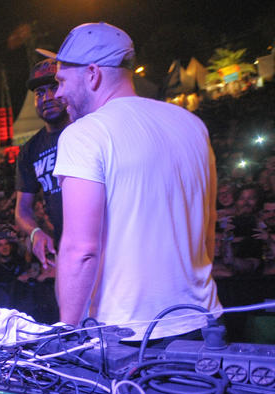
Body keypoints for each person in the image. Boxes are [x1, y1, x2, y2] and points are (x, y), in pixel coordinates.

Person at [39, 22, 221, 340]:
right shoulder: (192, 124)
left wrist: (66, 334)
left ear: (92, 74)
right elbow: (209, 228)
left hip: (130, 337)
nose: (59, 94)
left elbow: (80, 250)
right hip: (207, 325)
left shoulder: (85, 134)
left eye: (62, 81)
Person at [15, 58, 70, 269]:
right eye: (39, 93)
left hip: (110, 241)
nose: (47, 97)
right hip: (65, 249)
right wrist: (35, 232)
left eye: (53, 88)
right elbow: (22, 210)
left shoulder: (89, 129)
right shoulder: (30, 150)